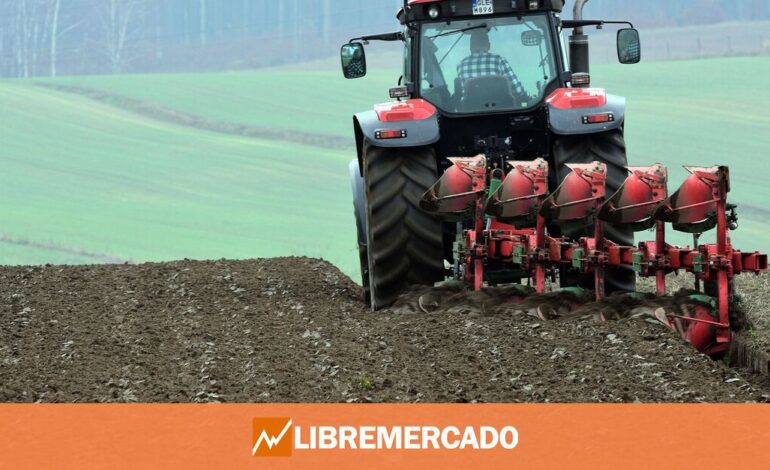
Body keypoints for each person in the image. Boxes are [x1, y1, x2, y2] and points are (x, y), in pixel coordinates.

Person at [457, 29, 525, 99]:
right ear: (489, 46)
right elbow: (518, 90)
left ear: (470, 47)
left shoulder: (461, 65)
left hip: (471, 109)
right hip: (500, 108)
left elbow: (462, 93)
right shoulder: (499, 60)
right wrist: (526, 96)